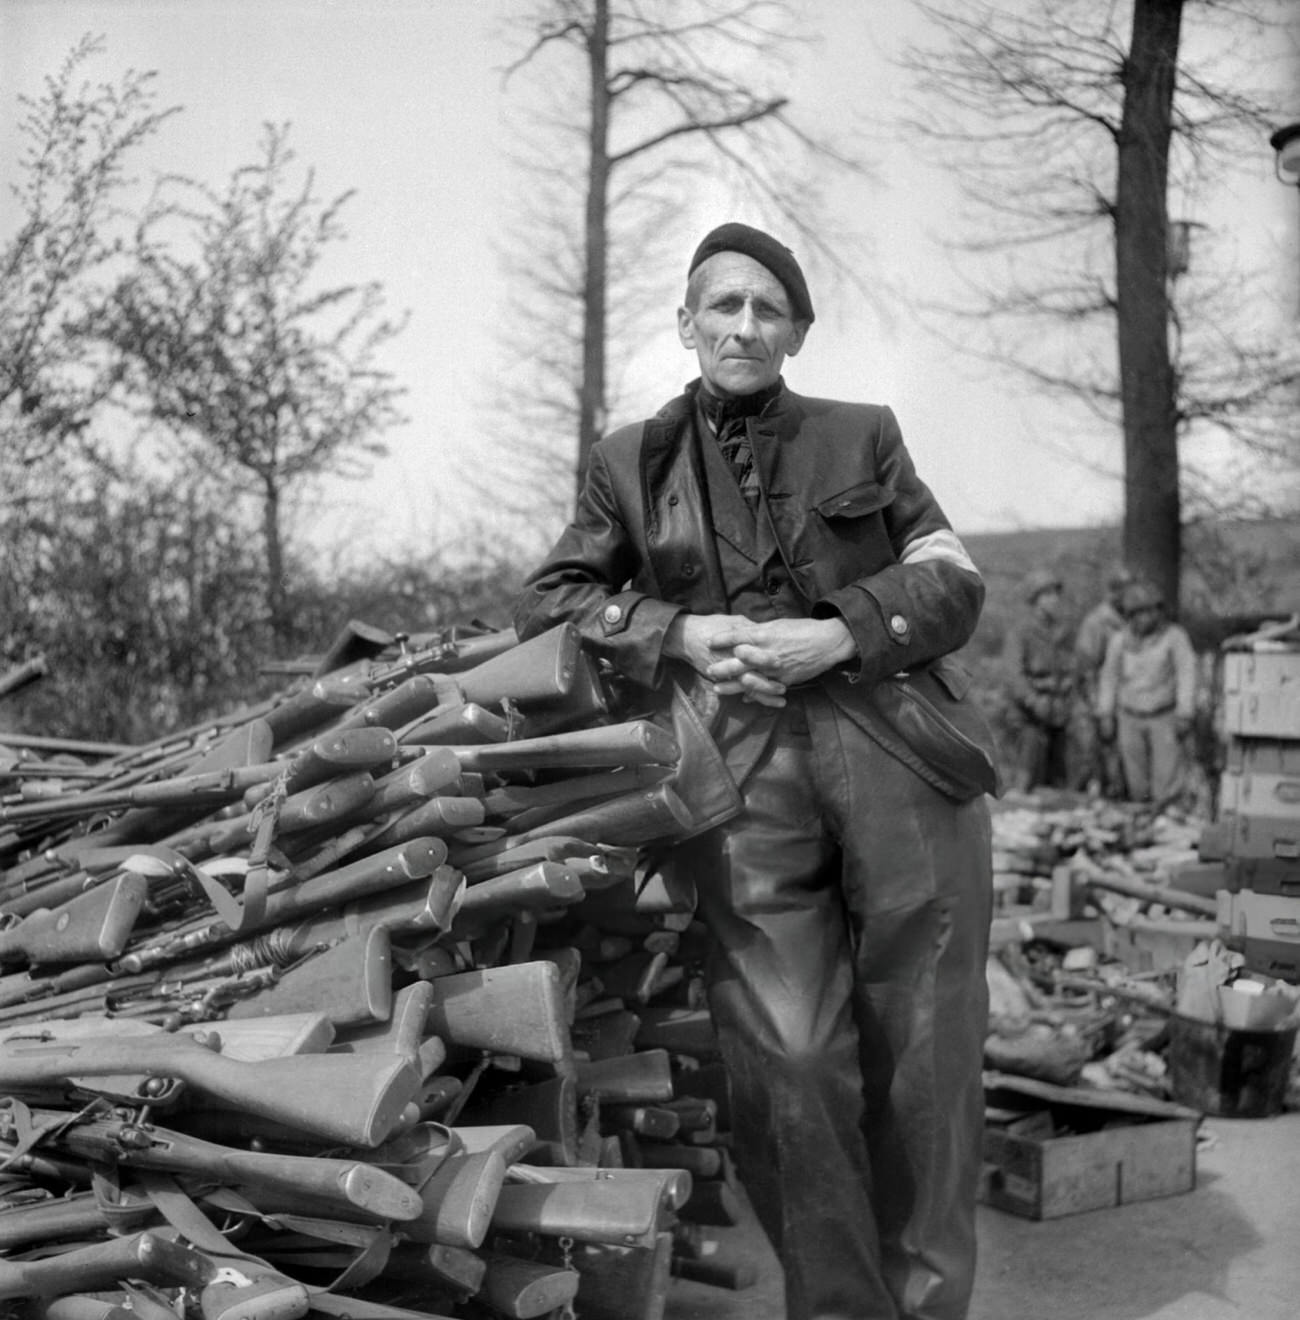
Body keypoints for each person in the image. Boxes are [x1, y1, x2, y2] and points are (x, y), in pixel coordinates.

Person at [514, 222, 998, 1320]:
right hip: (737, 770)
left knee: (926, 1046)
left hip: (897, 751)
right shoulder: (626, 461)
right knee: (785, 1055)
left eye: (765, 309)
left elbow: (951, 580)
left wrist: (841, 631)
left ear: (795, 333)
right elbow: (549, 601)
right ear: (686, 324)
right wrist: (678, 636)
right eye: (722, 305)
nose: (743, 324)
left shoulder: (864, 435)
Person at [1096, 579, 1197, 808]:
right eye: (1138, 613)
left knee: (1166, 782)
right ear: (1129, 616)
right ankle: (1141, 828)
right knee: (1136, 783)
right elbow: (1109, 677)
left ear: (1158, 611)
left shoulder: (1174, 637)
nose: (1145, 618)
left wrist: (1185, 712)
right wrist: (1105, 713)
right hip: (1129, 716)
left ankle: (1167, 827)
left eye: (1149, 612)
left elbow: (1186, 672)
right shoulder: (1119, 641)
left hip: (1163, 716)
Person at [1002, 568, 1075, 792]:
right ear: (1036, 599)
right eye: (1048, 594)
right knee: (1028, 772)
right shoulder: (1021, 633)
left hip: (1057, 710)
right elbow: (1014, 675)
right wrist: (1033, 700)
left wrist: (1067, 685)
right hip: (1028, 715)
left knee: (1058, 776)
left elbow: (1072, 665)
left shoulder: (1063, 631)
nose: (1054, 600)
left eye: (1055, 594)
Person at [1073, 566, 1135, 796]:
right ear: (1114, 593)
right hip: (1096, 702)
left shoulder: (1129, 620)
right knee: (1091, 760)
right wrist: (1097, 709)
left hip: (1123, 701)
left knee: (1119, 763)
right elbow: (1086, 669)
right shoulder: (1097, 622)